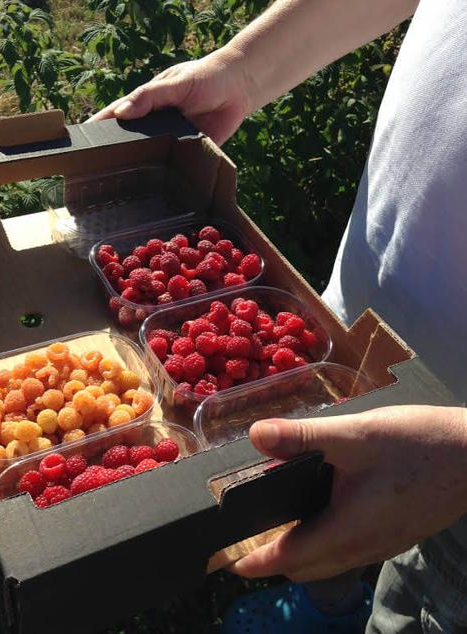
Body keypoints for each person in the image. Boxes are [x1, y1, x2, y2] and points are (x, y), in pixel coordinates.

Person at [89, 0, 467, 631]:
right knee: (324, 511)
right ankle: (333, 598)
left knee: (419, 598)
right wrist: (242, 69)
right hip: (343, 349)